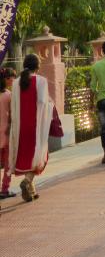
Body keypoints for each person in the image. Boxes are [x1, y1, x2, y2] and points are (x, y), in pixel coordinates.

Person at [9, 54, 53, 202]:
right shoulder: (41, 81)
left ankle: (32, 191)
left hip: (20, 127)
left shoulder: (16, 83)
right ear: (37, 66)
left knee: (28, 157)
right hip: (36, 126)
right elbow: (42, 102)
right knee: (41, 156)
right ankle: (27, 181)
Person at [0, 68, 16, 199]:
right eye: (13, 77)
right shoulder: (8, 95)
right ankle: (4, 189)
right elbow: (12, 115)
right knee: (8, 163)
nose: (14, 80)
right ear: (6, 79)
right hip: (6, 133)